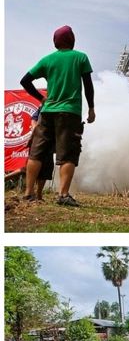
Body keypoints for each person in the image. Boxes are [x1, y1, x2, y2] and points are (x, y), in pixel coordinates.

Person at [20, 25, 95, 207]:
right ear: (72, 40)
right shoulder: (80, 57)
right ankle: (63, 195)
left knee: (37, 153)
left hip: (47, 113)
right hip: (69, 112)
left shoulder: (47, 60)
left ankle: (29, 194)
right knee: (68, 153)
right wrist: (91, 108)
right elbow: (88, 86)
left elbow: (25, 81)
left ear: (55, 42)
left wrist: (41, 98)